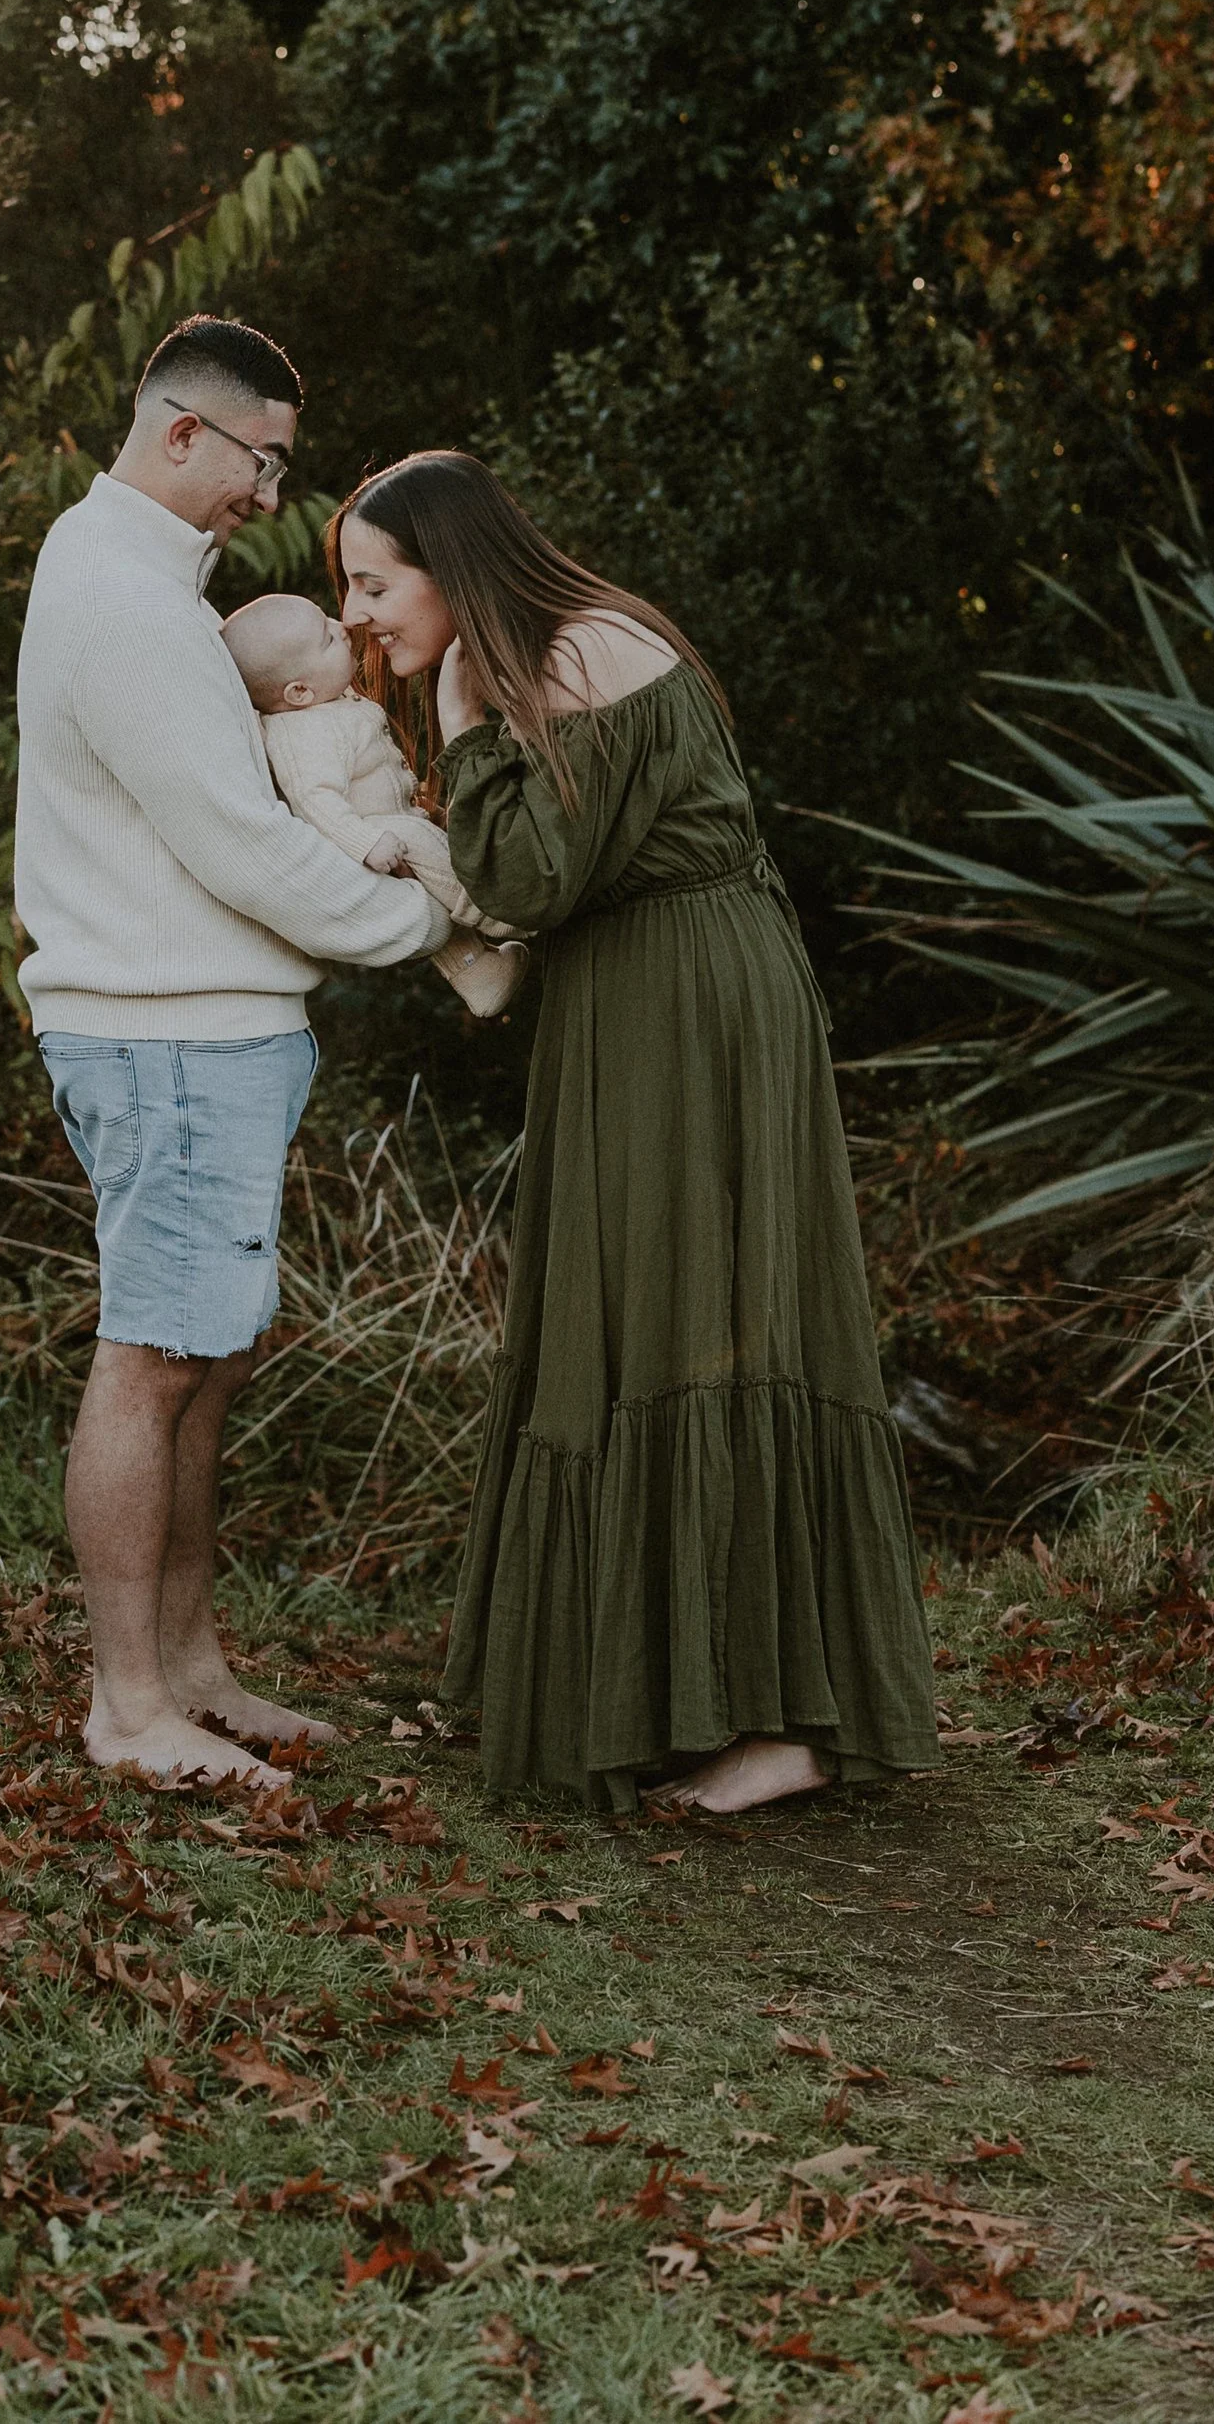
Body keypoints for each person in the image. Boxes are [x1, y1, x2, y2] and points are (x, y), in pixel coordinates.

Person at [334, 452, 938, 1816]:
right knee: (641, 1320)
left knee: (707, 1315)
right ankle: (674, 1695)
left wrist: (456, 709)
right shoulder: (555, 654)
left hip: (695, 998)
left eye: (376, 582)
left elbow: (524, 876)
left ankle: (788, 1720)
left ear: (456, 566)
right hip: (638, 995)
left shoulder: (586, 651)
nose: (360, 613)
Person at [14, 316, 451, 1793]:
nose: (274, 493)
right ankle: (128, 1703)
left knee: (204, 1354)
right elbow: (242, 848)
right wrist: (434, 927)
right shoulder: (125, 599)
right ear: (181, 429)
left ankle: (189, 1666)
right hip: (164, 1033)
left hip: (207, 1028)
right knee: (153, 1356)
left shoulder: (151, 577)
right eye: (262, 460)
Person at [220, 590, 528, 1021]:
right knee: (434, 856)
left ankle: (479, 973)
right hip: (382, 833)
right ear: (299, 692)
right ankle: (503, 909)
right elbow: (315, 801)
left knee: (430, 874)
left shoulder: (326, 706)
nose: (342, 627)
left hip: (394, 821)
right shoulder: (302, 734)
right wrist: (366, 842)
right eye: (327, 637)